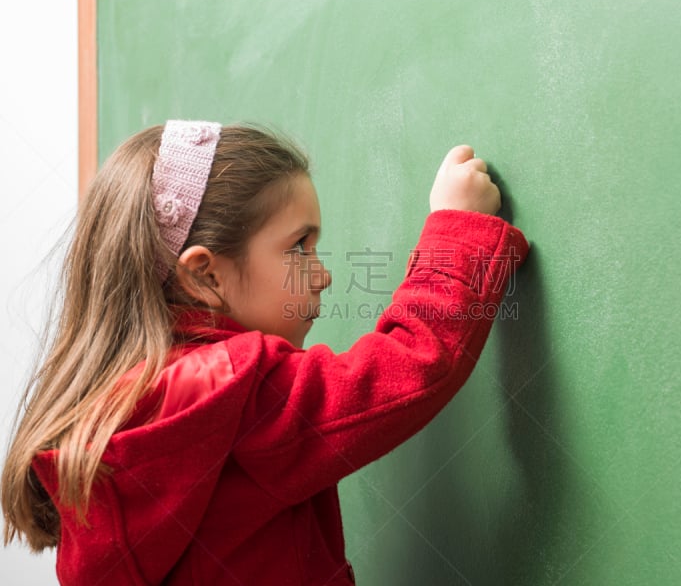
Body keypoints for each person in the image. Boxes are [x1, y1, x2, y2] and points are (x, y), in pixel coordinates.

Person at [1, 120, 528, 584]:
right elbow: (415, 362)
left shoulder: (119, 411)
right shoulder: (233, 393)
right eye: (300, 246)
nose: (322, 275)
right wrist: (459, 230)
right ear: (204, 274)